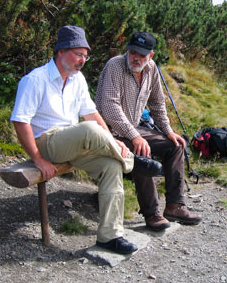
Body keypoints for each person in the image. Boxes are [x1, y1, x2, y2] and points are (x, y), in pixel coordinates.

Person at [10, 25, 157, 255]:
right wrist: (38, 159)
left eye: (85, 56)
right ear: (60, 51)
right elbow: (20, 121)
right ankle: (133, 162)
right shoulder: (35, 80)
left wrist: (114, 141)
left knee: (110, 166)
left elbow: (92, 113)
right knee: (88, 129)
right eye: (78, 54)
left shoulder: (77, 80)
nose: (83, 60)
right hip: (48, 143)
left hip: (73, 143)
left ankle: (110, 236)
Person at [95, 32, 202, 231]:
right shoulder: (115, 66)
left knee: (175, 145)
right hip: (107, 132)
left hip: (133, 129)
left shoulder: (151, 69)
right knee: (141, 154)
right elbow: (109, 108)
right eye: (132, 52)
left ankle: (175, 205)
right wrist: (135, 136)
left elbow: (157, 103)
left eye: (141, 55)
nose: (135, 57)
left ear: (150, 56)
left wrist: (168, 131)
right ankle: (151, 213)